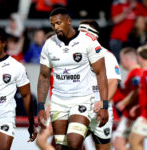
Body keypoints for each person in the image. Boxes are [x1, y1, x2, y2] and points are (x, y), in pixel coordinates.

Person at [37, 7, 108, 150]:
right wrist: (40, 106)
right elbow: (44, 76)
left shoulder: (88, 41)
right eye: (52, 25)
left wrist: (104, 104)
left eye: (58, 23)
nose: (56, 28)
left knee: (74, 142)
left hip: (82, 99)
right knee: (61, 147)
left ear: (69, 21)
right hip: (58, 102)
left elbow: (101, 73)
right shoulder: (49, 44)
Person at [78, 19, 121, 150]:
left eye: (82, 33)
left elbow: (113, 81)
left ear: (93, 35)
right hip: (80, 109)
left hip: (101, 109)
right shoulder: (74, 57)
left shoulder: (106, 56)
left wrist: (103, 103)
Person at [0, 27, 37, 150]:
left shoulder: (16, 67)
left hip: (4, 117)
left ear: (4, 44)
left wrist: (31, 123)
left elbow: (26, 95)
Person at [113, 47, 143, 150]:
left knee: (118, 142)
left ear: (126, 59)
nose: (121, 62)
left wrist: (124, 103)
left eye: (121, 59)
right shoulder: (136, 72)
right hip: (134, 113)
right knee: (134, 144)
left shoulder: (136, 73)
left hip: (132, 114)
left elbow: (138, 90)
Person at [129, 45, 147, 150]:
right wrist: (138, 107)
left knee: (134, 142)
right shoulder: (144, 73)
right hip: (143, 112)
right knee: (133, 142)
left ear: (139, 58)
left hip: (146, 116)